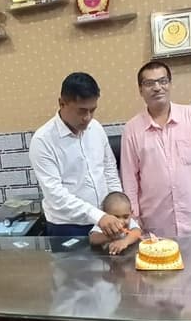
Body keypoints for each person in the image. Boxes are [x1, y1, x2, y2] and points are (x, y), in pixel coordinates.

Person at [121, 61, 191, 237]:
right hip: (154, 219)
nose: (157, 87)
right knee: (158, 255)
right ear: (140, 90)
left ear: (170, 84)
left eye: (163, 81)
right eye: (149, 83)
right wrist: (133, 216)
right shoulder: (132, 129)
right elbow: (129, 177)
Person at [29, 72, 123, 237]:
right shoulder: (43, 140)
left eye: (92, 110)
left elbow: (109, 170)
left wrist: (118, 208)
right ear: (62, 103)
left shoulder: (96, 128)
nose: (87, 117)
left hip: (106, 219)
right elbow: (55, 195)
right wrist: (98, 216)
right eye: (82, 111)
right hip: (68, 226)